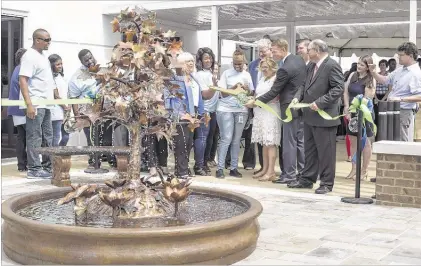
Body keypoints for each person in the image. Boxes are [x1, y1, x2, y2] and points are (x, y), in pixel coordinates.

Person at [288, 39, 344, 194]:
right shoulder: (311, 65)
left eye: (309, 49)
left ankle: (326, 183)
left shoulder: (332, 65)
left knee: (326, 152)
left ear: (318, 50)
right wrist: (297, 97)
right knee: (310, 150)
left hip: (324, 117)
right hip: (309, 116)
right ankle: (307, 179)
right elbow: (303, 85)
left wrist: (320, 103)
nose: (307, 52)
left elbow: (338, 88)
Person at [246, 39, 307, 184]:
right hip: (297, 106)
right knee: (299, 142)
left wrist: (255, 102)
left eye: (274, 51)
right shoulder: (298, 60)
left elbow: (274, 91)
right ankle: (301, 172)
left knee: (289, 143)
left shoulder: (285, 68)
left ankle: (289, 174)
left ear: (283, 48)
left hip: (287, 108)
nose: (272, 54)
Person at [19, 29, 55, 179]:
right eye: (46, 40)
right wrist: (29, 104)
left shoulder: (43, 56)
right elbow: (22, 80)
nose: (48, 42)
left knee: (48, 136)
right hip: (35, 103)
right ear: (37, 40)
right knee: (34, 136)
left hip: (45, 103)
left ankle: (47, 167)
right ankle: (34, 169)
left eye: (49, 39)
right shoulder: (29, 56)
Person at [369, 42, 421, 142]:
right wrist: (373, 72)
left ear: (410, 56)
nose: (398, 58)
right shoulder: (400, 70)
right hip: (391, 109)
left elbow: (419, 96)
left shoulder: (416, 73)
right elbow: (385, 80)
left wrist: (400, 99)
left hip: (403, 111)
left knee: (401, 142)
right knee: (391, 141)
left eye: (401, 55)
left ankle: (404, 157)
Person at [164, 52, 204, 179]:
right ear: (179, 64)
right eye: (187, 61)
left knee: (189, 143)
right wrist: (173, 114)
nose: (191, 63)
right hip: (180, 115)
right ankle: (181, 172)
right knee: (181, 144)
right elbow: (167, 98)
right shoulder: (173, 78)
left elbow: (199, 97)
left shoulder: (194, 78)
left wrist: (199, 114)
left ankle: (183, 168)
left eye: (192, 60)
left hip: (193, 114)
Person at [215, 50, 254, 179]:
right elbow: (222, 93)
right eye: (236, 64)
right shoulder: (226, 73)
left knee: (236, 140)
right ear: (232, 62)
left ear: (244, 62)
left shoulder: (247, 75)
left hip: (241, 109)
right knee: (226, 138)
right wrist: (233, 88)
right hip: (226, 108)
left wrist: (247, 90)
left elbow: (250, 94)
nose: (238, 66)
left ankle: (234, 168)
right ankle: (220, 168)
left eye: (240, 64)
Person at [343, 55, 376, 180]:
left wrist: (358, 110)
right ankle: (354, 169)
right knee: (352, 141)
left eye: (362, 65)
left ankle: (364, 170)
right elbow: (346, 91)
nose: (359, 66)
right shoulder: (352, 76)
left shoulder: (371, 79)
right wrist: (347, 107)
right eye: (358, 63)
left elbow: (369, 97)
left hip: (364, 112)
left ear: (368, 67)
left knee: (365, 142)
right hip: (351, 112)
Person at [68, 49, 101, 167]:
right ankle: (93, 161)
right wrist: (77, 117)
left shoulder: (101, 70)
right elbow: (74, 98)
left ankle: (105, 159)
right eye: (86, 60)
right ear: (81, 62)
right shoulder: (77, 77)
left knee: (103, 136)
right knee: (91, 137)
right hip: (86, 111)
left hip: (103, 109)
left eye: (91, 57)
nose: (90, 61)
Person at [250, 58, 282, 181]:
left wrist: (255, 102)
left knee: (270, 142)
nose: (264, 70)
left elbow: (273, 96)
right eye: (262, 67)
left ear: (273, 68)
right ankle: (264, 168)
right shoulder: (262, 79)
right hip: (260, 112)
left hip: (271, 112)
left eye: (266, 67)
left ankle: (271, 171)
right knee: (264, 142)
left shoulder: (276, 79)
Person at [245, 38, 272, 173]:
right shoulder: (252, 64)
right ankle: (262, 166)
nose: (261, 54)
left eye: (263, 51)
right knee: (258, 136)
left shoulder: (275, 64)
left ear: (270, 49)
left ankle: (271, 168)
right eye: (258, 51)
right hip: (254, 103)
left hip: (270, 105)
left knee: (269, 138)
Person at [195, 47, 219, 175]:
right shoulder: (200, 75)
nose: (209, 60)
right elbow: (205, 95)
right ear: (200, 61)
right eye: (206, 58)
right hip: (204, 111)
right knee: (202, 138)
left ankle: (204, 163)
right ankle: (198, 165)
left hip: (213, 110)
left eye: (210, 58)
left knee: (210, 139)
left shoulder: (210, 74)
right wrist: (215, 86)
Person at [7, 48, 27, 172]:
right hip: (22, 109)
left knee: (22, 137)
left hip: (16, 109)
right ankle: (26, 164)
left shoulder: (16, 69)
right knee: (26, 137)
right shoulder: (21, 70)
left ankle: (21, 165)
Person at [49, 54, 70, 146]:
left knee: (66, 137)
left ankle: (59, 155)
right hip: (56, 111)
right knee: (56, 136)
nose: (60, 66)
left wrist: (69, 106)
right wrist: (65, 107)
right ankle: (54, 157)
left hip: (65, 111)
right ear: (52, 65)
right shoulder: (50, 78)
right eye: (58, 64)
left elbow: (67, 93)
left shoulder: (62, 77)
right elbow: (56, 96)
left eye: (61, 64)